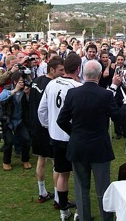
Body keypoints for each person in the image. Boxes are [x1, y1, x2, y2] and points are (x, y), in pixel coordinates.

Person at [56, 60, 126, 221]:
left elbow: (61, 120)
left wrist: (75, 134)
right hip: (99, 148)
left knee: (81, 188)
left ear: (84, 74)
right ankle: (106, 218)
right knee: (103, 189)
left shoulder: (72, 93)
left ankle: (85, 217)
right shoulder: (105, 95)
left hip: (78, 147)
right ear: (99, 75)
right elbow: (119, 118)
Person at [38, 53, 83, 220]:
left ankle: (63, 212)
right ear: (79, 68)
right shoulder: (78, 87)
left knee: (62, 174)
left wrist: (49, 126)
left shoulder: (51, 84)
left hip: (56, 137)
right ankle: (79, 211)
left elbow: (41, 110)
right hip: (73, 137)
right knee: (79, 175)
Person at [29, 57, 65, 206]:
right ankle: (58, 197)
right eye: (61, 70)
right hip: (46, 127)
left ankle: (42, 192)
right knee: (56, 163)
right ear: (52, 70)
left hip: (35, 127)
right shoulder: (52, 85)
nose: (63, 73)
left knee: (41, 159)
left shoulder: (36, 81)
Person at [0, 71, 32, 171]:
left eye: (23, 81)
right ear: (15, 81)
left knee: (27, 139)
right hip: (8, 120)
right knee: (9, 141)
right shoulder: (8, 89)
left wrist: (28, 94)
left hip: (20, 120)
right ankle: (6, 161)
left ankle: (25, 159)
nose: (22, 83)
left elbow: (30, 104)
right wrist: (15, 91)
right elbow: (0, 99)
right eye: (20, 81)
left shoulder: (25, 91)